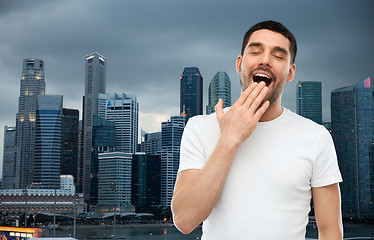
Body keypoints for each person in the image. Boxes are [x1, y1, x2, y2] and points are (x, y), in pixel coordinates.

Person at [171, 20, 343, 239]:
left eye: (278, 55)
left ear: (290, 73)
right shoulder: (200, 128)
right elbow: (185, 220)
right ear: (239, 64)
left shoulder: (316, 137)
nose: (265, 60)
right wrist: (229, 139)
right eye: (256, 51)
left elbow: (330, 232)